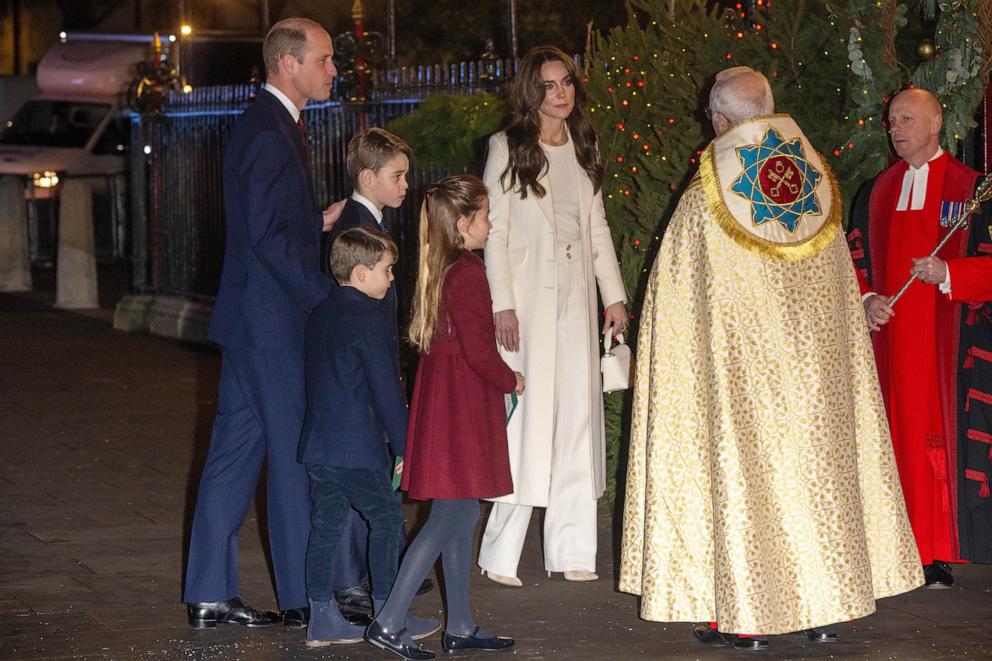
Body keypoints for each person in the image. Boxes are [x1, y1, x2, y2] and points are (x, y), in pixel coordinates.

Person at [620, 66, 924, 650]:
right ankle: (823, 609)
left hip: (745, 377)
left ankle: (749, 618)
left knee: (748, 481)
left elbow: (676, 297)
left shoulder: (709, 192)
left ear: (720, 119)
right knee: (813, 480)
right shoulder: (817, 183)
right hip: (816, 381)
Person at [183, 18, 343, 629]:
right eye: (325, 60)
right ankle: (307, 598)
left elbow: (270, 225)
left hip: (251, 321)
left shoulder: (273, 126)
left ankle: (208, 592)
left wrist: (314, 220)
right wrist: (322, 297)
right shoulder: (270, 134)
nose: (333, 70)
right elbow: (268, 239)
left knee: (232, 454)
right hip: (271, 324)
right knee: (293, 455)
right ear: (288, 64)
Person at [477, 46, 627, 586]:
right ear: (531, 91)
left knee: (577, 418)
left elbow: (598, 227)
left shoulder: (585, 145)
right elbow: (494, 231)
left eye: (565, 83)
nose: (560, 93)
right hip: (528, 303)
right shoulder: (507, 147)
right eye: (548, 85)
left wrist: (613, 295)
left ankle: (573, 551)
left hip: (575, 299)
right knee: (528, 419)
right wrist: (503, 304)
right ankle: (500, 554)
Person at [366, 175, 523, 660]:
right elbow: (479, 349)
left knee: (458, 514)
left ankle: (460, 625)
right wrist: (509, 378)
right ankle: (390, 622)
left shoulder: (444, 267)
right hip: (463, 407)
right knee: (450, 517)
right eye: (484, 216)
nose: (491, 225)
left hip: (447, 403)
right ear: (461, 224)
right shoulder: (468, 271)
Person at [848, 86, 992, 585]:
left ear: (935, 125)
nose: (895, 128)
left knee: (935, 444)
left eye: (907, 120)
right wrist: (866, 300)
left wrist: (948, 273)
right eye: (892, 120)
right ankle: (892, 548)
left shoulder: (971, 190)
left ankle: (933, 550)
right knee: (891, 439)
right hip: (888, 343)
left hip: (944, 348)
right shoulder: (876, 191)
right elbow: (855, 260)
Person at [317, 127, 425, 618]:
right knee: (362, 494)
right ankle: (359, 585)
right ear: (368, 176)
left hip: (359, 375)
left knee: (345, 497)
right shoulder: (356, 226)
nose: (406, 184)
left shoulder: (366, 217)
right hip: (360, 377)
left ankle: (357, 583)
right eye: (396, 176)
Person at [298, 227, 409, 646]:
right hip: (355, 446)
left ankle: (321, 616)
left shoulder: (321, 312)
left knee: (325, 526)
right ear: (361, 273)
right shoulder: (369, 318)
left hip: (319, 444)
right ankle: (388, 613)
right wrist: (403, 447)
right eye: (387, 269)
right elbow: (384, 389)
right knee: (384, 519)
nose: (391, 277)